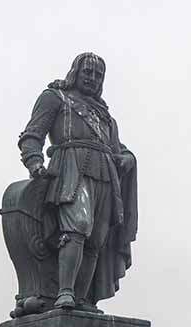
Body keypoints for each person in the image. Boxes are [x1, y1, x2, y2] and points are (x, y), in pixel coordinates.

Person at [18, 53, 138, 311]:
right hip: (71, 169)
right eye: (88, 72)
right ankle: (64, 292)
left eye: (98, 75)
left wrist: (127, 157)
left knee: (96, 239)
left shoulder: (105, 116)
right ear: (75, 72)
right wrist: (34, 162)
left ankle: (83, 299)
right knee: (78, 225)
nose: (92, 78)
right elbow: (32, 135)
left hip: (106, 175)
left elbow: (118, 147)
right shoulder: (55, 98)